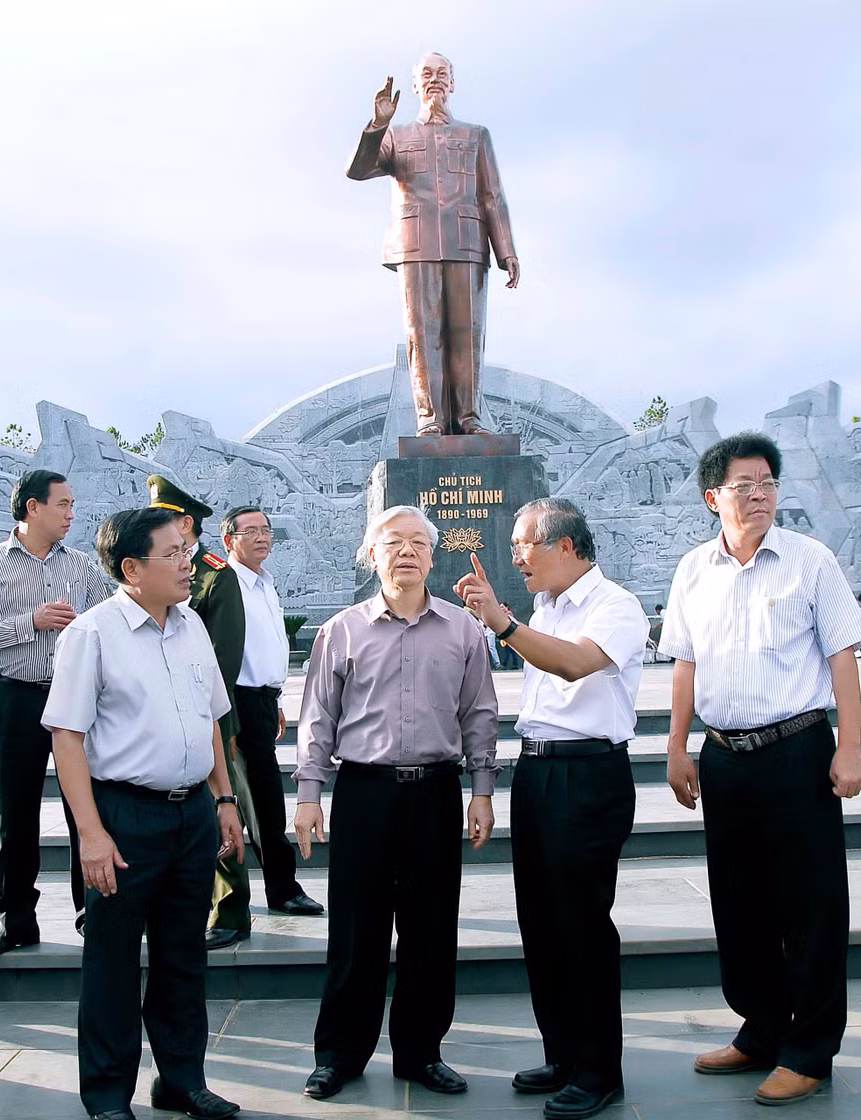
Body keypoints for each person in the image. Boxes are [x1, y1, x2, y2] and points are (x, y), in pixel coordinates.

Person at [659, 432, 861, 1108]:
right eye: (743, 485)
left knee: (810, 907)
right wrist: (677, 747)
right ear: (711, 497)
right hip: (725, 759)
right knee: (740, 904)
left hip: (797, 753)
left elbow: (843, 654)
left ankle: (809, 1050)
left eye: (767, 484)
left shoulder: (810, 561)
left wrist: (849, 745)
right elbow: (685, 664)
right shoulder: (693, 570)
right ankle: (759, 1030)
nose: (758, 495)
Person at [41, 507, 244, 1120]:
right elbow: (67, 738)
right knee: (113, 964)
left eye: (187, 550)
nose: (189, 563)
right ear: (131, 568)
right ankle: (106, 1096)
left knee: (184, 957)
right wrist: (92, 835)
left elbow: (211, 719)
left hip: (192, 819)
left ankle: (181, 1080)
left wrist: (225, 798)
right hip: (124, 818)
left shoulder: (191, 627)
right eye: (174, 554)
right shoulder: (93, 634)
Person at [294, 504, 499, 1100]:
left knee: (431, 931)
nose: (406, 551)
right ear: (372, 554)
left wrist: (482, 790)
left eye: (417, 542)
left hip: (435, 793)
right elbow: (318, 719)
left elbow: (479, 714)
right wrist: (309, 795)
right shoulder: (342, 630)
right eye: (392, 542)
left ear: (433, 555)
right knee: (356, 932)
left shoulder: (463, 630)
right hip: (364, 793)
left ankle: (420, 1052)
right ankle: (339, 1055)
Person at [455, 498, 648, 1120]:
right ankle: (563, 1053)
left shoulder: (614, 605)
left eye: (524, 545)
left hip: (588, 775)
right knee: (540, 922)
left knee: (582, 925)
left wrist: (503, 624)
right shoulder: (547, 606)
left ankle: (599, 1070)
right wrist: (504, 618)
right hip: (538, 772)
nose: (516, 556)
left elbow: (574, 664)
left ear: (565, 545)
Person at [347, 52, 519, 435]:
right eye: (426, 74)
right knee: (422, 335)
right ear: (414, 86)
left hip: (468, 242)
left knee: (467, 333)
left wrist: (505, 249)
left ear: (453, 83)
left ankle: (469, 419)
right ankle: (430, 420)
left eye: (443, 74)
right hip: (415, 244)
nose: (435, 80)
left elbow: (492, 196)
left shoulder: (476, 136)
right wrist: (378, 123)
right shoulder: (398, 135)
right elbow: (358, 170)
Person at [0, 470, 107, 956]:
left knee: (85, 810)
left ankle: (92, 913)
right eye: (63, 505)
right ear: (33, 507)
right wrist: (28, 622)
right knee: (16, 812)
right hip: (16, 697)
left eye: (72, 505)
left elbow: (110, 618)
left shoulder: (83, 567)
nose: (72, 514)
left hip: (75, 700)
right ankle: (16, 921)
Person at [146, 475, 253, 950]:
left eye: (165, 520)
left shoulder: (215, 574)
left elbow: (223, 660)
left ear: (186, 524)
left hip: (206, 717)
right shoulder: (154, 571)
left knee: (222, 807)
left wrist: (222, 726)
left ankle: (231, 908)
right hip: (160, 715)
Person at [222, 506, 322, 916]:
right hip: (234, 703)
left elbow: (263, 648)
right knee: (240, 801)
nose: (263, 537)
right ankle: (239, 899)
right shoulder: (224, 583)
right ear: (229, 539)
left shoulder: (265, 583)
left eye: (267, 531)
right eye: (252, 531)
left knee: (265, 798)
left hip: (262, 700)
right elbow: (220, 656)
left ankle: (282, 889)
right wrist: (224, 720)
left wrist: (276, 699)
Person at [498, 602, 522, 669]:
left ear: (506, 607)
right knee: (512, 651)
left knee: (508, 651)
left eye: (502, 607)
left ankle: (504, 664)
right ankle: (515, 664)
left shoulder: (508, 615)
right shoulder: (507, 614)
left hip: (508, 635)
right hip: (510, 635)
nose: (501, 608)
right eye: (500, 607)